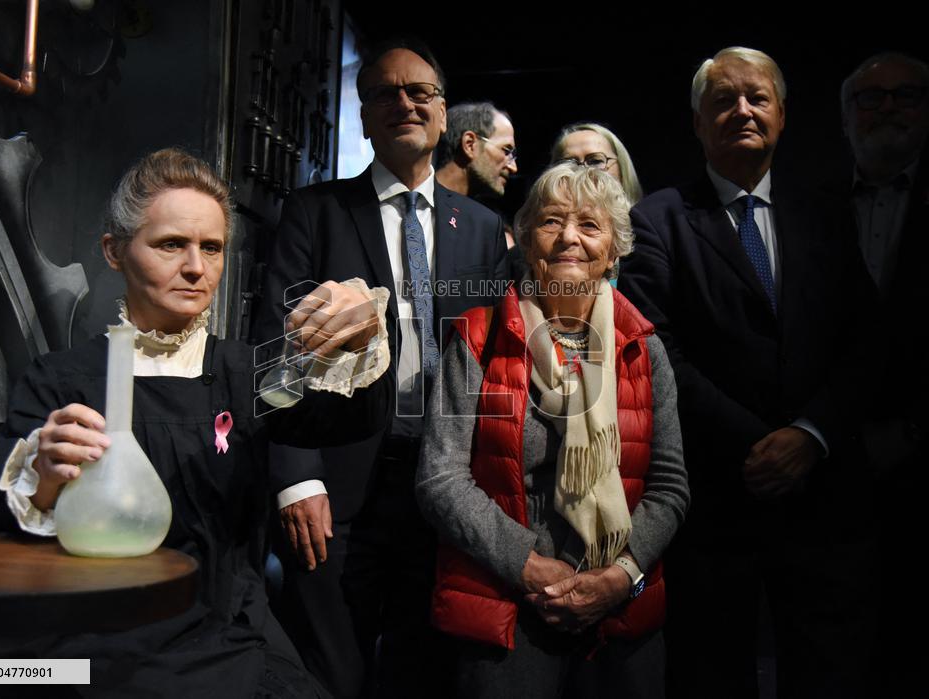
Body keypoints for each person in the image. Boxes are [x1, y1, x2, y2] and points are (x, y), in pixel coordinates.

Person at [0, 148, 324, 698]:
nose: (195, 268)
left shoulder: (247, 374)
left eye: (211, 248)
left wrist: (357, 334)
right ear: (115, 251)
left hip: (220, 631)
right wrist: (41, 480)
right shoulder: (62, 380)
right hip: (85, 637)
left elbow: (336, 416)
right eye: (170, 245)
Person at [254, 37, 509, 698]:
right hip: (332, 484)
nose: (404, 103)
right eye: (384, 94)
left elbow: (494, 361)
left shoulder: (482, 229)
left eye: (419, 92)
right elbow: (273, 347)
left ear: (444, 114)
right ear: (364, 118)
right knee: (331, 672)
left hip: (444, 485)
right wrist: (293, 477)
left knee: (424, 672)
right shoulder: (315, 213)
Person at [618, 47, 876, 698]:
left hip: (824, 494)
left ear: (783, 116)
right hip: (716, 499)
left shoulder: (825, 211)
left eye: (757, 98)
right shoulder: (658, 219)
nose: (742, 110)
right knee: (712, 673)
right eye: (723, 100)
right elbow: (657, 348)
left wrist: (810, 434)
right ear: (697, 124)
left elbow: (864, 338)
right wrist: (758, 443)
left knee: (829, 671)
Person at [417, 162, 689, 698]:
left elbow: (670, 487)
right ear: (524, 240)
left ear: (614, 251)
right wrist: (530, 567)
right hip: (506, 607)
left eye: (590, 226)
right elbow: (439, 479)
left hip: (620, 614)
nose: (569, 236)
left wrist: (619, 577)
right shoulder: (478, 336)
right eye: (551, 221)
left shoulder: (644, 347)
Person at [841, 52, 929, 694]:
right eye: (870, 98)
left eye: (905, 95)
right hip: (836, 459)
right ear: (846, 117)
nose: (888, 108)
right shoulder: (813, 204)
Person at [435, 101, 519, 200]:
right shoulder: (415, 206)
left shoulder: (480, 214)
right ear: (470, 144)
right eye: (506, 151)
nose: (514, 168)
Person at [550, 122, 644, 205]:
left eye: (595, 161)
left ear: (622, 168)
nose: (582, 170)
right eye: (570, 163)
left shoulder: (646, 221)